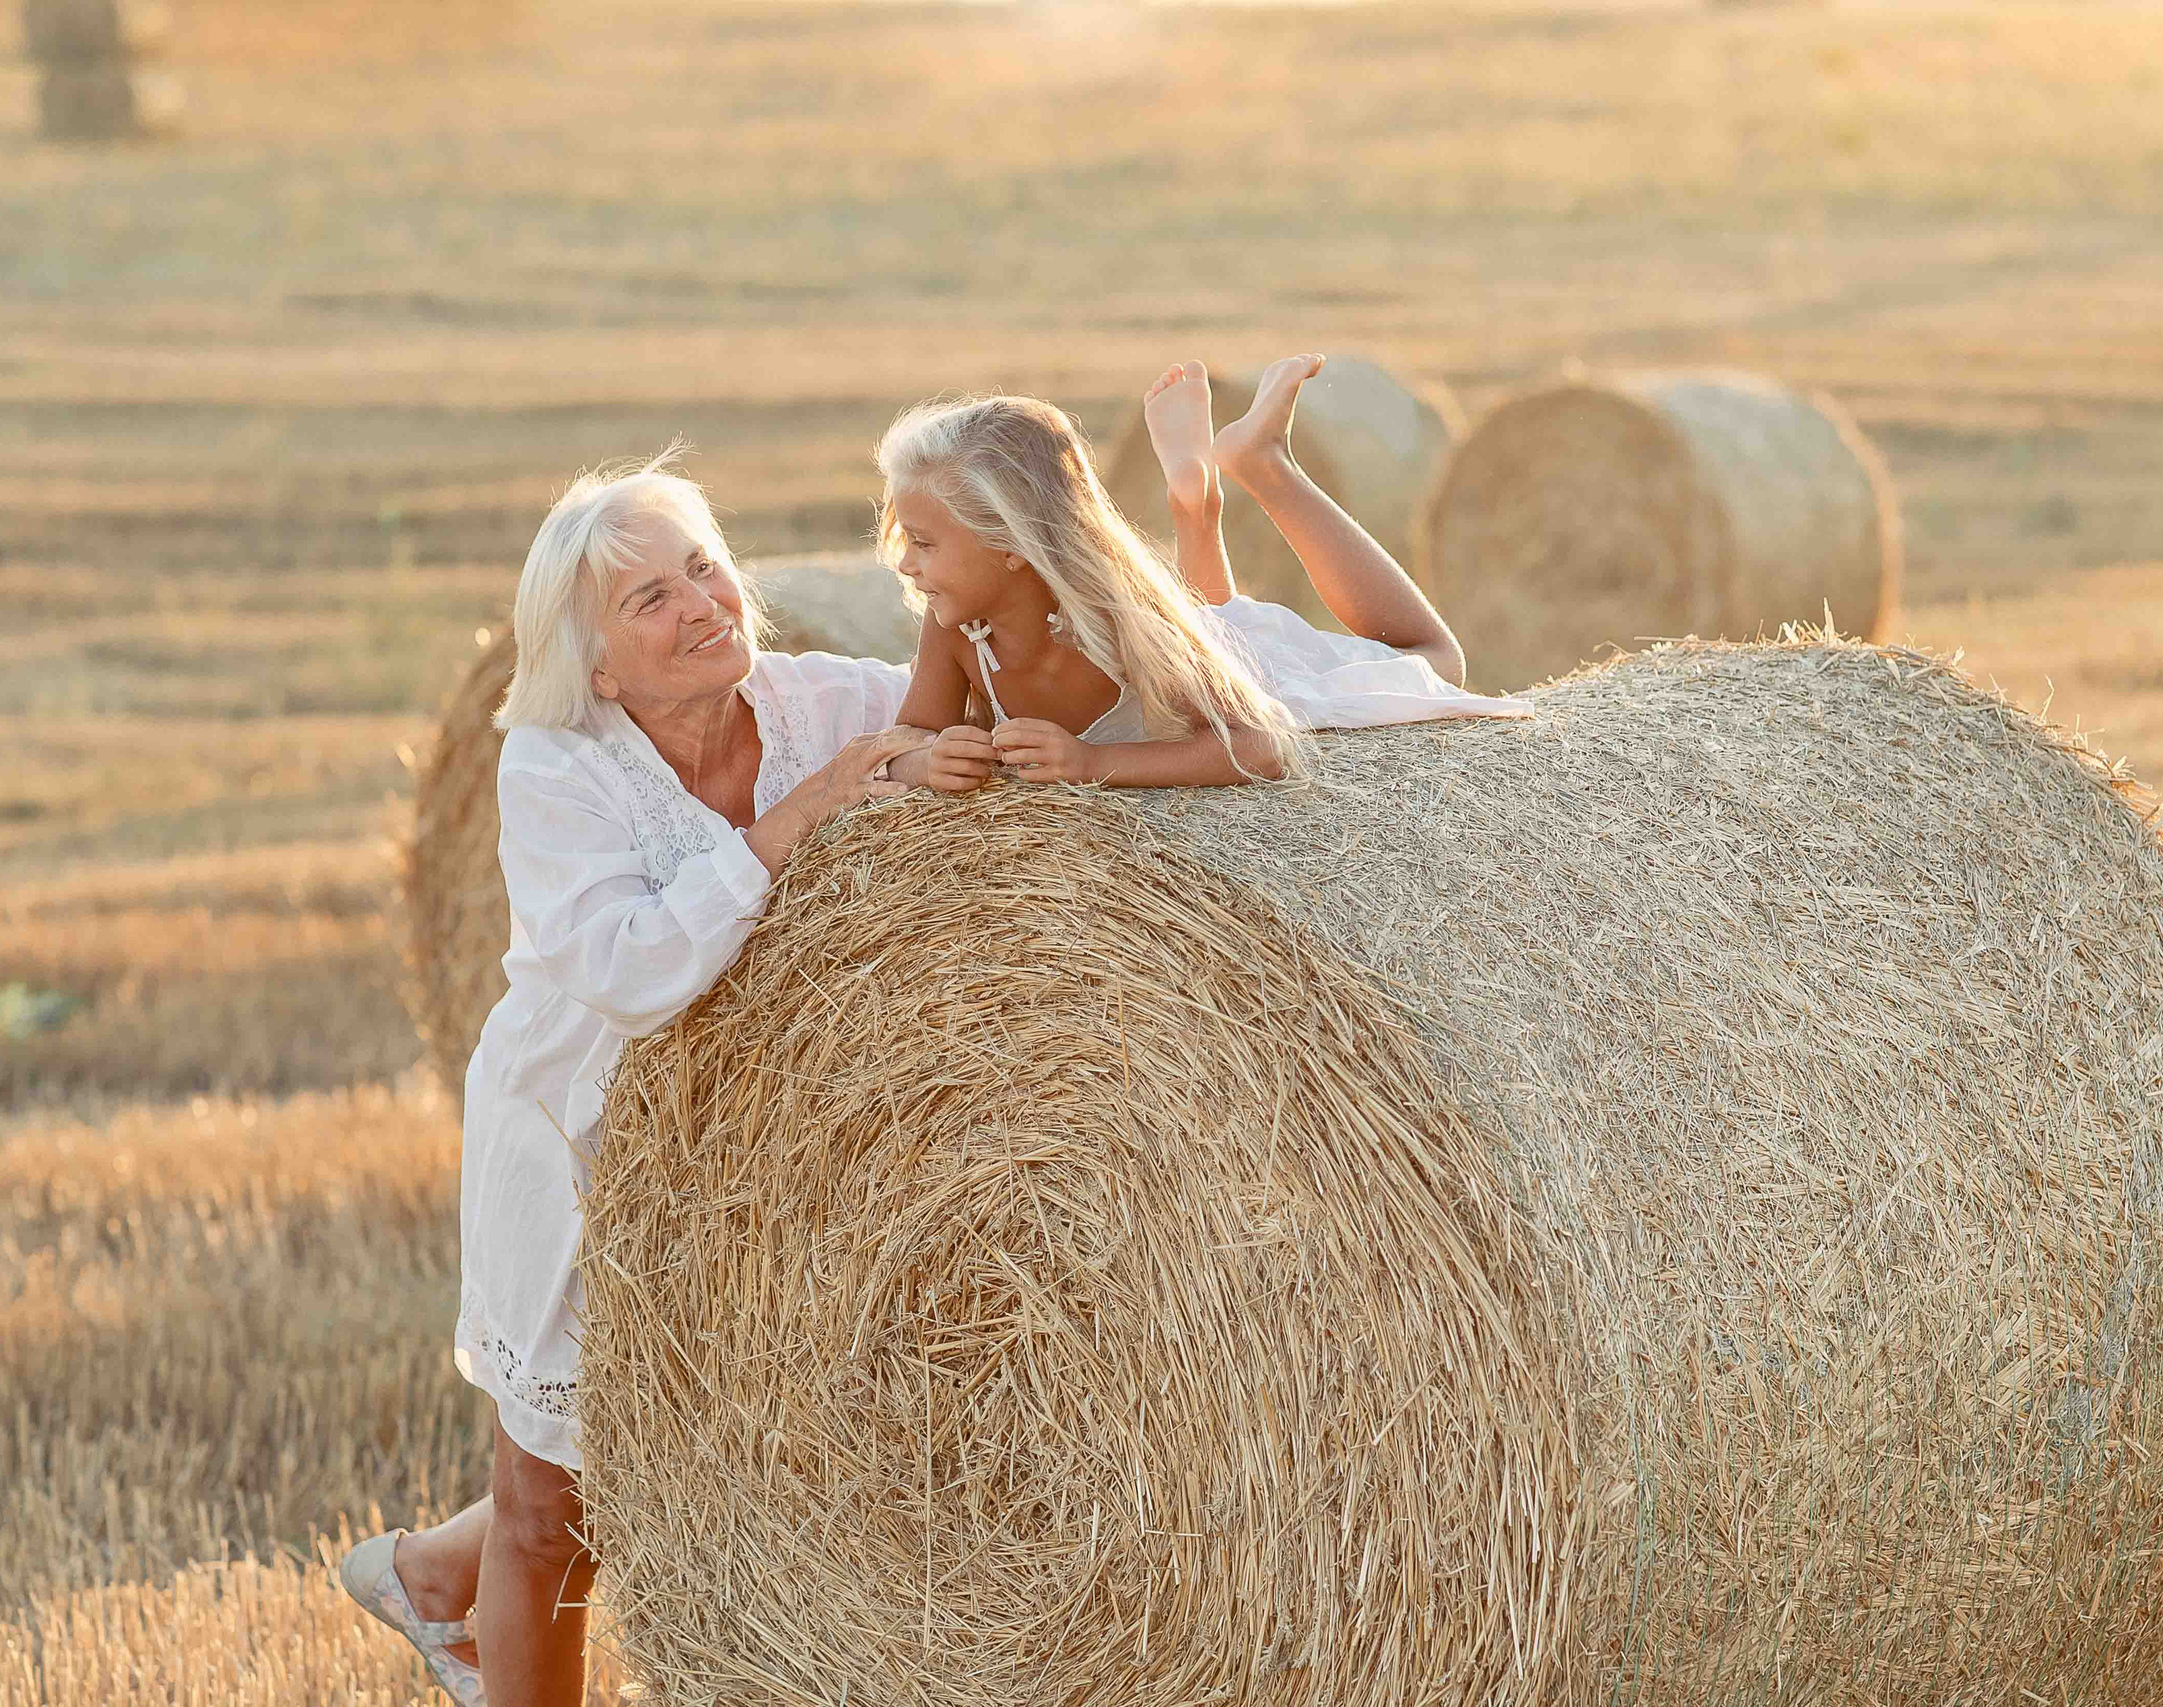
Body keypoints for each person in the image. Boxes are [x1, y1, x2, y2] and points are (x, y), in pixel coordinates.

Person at [337, 455, 929, 1707]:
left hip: (739, 1151)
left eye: (705, 568)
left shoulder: (817, 700)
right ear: (597, 664)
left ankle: (431, 1578)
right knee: (549, 1508)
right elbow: (629, 970)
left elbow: (967, 704)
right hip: (568, 1146)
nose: (701, 604)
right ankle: (460, 1588)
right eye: (650, 597)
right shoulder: (554, 767)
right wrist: (792, 824)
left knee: (668, 1451)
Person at [884, 354, 1529, 796]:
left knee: (1436, 660)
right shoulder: (959, 628)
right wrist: (923, 762)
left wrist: (1093, 763)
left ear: (1011, 545)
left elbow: (1260, 746)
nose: (905, 563)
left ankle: (1262, 465)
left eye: (922, 542)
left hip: (1256, 672)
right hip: (1198, 647)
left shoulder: (1116, 617)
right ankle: (1195, 505)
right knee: (1210, 616)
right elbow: (910, 735)